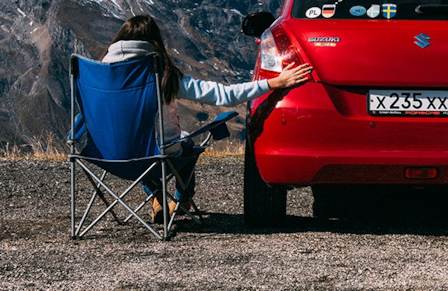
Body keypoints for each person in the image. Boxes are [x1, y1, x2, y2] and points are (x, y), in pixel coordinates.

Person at [101, 15, 312, 222]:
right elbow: (225, 95)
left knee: (134, 143)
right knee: (185, 146)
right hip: (160, 155)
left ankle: (156, 195)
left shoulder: (99, 73)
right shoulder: (163, 75)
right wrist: (273, 83)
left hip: (110, 155)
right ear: (154, 42)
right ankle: (182, 199)